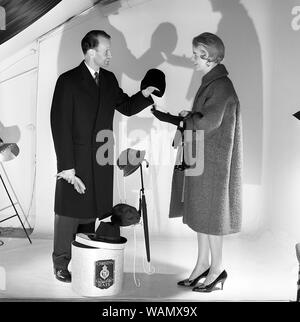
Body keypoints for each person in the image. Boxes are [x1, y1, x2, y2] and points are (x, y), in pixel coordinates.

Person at [50, 30, 157, 282]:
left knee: (90, 213)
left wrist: (145, 93)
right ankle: (60, 263)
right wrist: (66, 166)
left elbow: (127, 107)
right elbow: (59, 123)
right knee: (68, 214)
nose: (110, 55)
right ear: (91, 52)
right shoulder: (68, 80)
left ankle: (85, 259)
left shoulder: (108, 79)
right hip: (74, 161)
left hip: (101, 157)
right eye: (106, 50)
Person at [152, 32, 242, 292]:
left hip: (214, 161)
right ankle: (203, 264)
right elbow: (205, 117)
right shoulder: (212, 82)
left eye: (196, 54)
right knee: (202, 215)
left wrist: (183, 120)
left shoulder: (221, 85)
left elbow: (208, 122)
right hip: (205, 158)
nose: (192, 58)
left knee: (212, 217)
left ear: (209, 57)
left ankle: (217, 269)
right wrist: (189, 115)